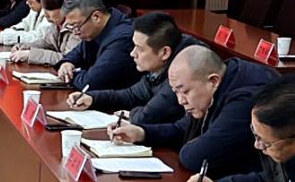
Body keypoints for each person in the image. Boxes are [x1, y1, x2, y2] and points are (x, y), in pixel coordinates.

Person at [110, 45, 274, 178]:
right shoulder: (218, 82)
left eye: (185, 92)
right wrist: (142, 133)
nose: (181, 101)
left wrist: (190, 144)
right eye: (176, 92)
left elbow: (196, 157)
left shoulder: (245, 99)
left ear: (213, 81)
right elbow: (181, 129)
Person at [65, 12, 202, 125]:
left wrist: (133, 114)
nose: (132, 53)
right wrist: (92, 98)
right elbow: (131, 95)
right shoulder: (159, 68)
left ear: (164, 52)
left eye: (140, 49)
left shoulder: (182, 75)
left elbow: (147, 116)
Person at [56, 0, 136, 94]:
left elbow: (91, 83)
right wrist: (67, 64)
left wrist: (71, 75)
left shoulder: (122, 39)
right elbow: (76, 53)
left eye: (76, 26)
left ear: (96, 16)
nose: (75, 32)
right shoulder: (94, 31)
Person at [9, 0, 74, 67]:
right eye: (44, 9)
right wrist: (25, 47)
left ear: (64, 8)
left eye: (50, 9)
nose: (46, 14)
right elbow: (46, 42)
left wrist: (30, 54)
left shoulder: (76, 28)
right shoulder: (56, 25)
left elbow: (67, 59)